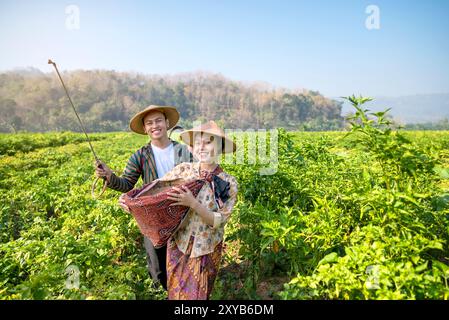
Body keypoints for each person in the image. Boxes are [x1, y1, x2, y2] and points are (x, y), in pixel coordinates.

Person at [94, 105, 193, 290]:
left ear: (167, 123)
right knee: (158, 267)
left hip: (183, 213)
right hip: (153, 218)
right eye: (149, 123)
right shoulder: (140, 156)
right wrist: (109, 176)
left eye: (158, 121)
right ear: (145, 129)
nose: (155, 125)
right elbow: (127, 184)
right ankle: (160, 292)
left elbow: (197, 177)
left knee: (184, 261)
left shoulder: (184, 152)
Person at [158, 120, 238, 300]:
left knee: (197, 297)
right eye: (198, 143)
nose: (202, 147)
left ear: (219, 147)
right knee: (175, 294)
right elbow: (156, 192)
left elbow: (218, 221)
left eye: (208, 142)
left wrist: (192, 203)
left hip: (205, 249)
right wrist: (131, 200)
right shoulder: (183, 171)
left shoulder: (227, 183)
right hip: (178, 243)